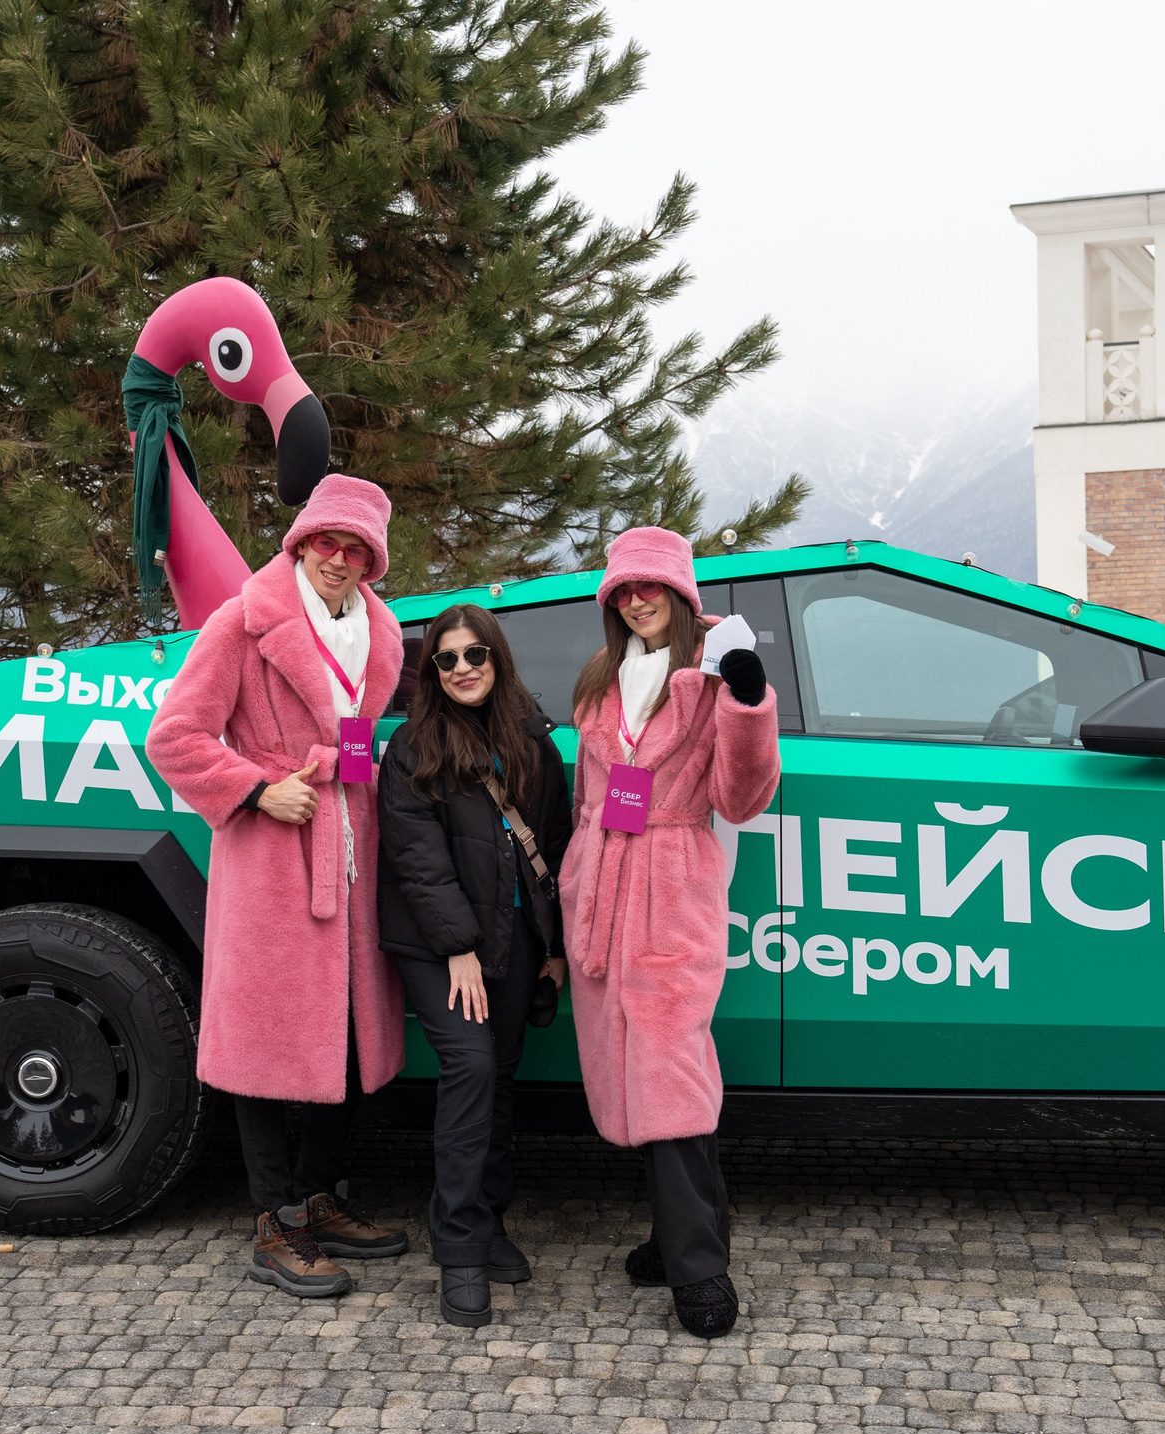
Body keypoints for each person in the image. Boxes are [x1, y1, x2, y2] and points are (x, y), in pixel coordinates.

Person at [146, 474, 410, 1297]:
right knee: (264, 1039)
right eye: (326, 541)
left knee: (346, 1032)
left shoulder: (381, 631)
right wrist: (259, 791)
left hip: (349, 850)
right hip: (269, 856)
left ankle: (321, 1197)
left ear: (373, 559)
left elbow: (357, 748)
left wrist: (348, 786)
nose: (338, 557)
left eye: (355, 546)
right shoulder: (245, 619)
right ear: (301, 542)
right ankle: (275, 1220)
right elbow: (175, 736)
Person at [561, 526, 779, 1338]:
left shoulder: (716, 679)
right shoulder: (601, 684)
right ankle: (684, 1234)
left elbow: (742, 798)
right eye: (622, 590)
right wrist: (582, 872)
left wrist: (750, 704)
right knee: (634, 1068)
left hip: (672, 885)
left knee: (669, 1068)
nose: (636, 600)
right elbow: (601, 791)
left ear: (685, 596)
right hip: (604, 884)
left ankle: (700, 1273)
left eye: (651, 587)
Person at [377, 605, 573, 1328]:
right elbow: (416, 860)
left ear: (498, 660)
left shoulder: (532, 740)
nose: (462, 669)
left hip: (518, 935)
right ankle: (457, 1248)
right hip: (439, 946)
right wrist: (457, 945)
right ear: (432, 672)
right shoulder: (412, 748)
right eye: (447, 659)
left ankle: (488, 1223)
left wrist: (553, 949)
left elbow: (553, 843)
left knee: (503, 1075)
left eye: (475, 656)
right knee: (471, 1067)